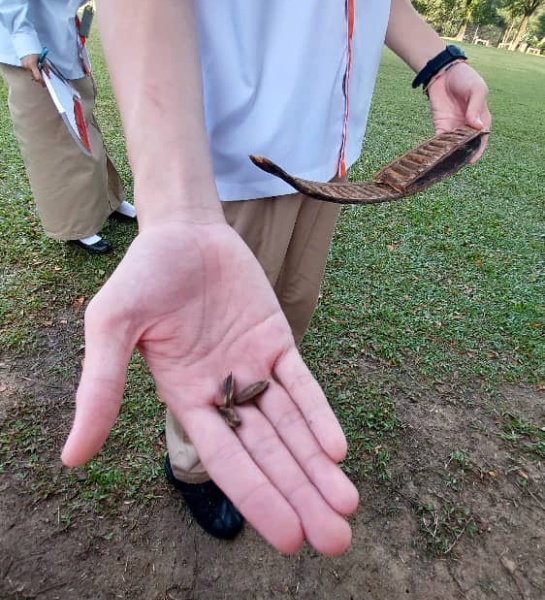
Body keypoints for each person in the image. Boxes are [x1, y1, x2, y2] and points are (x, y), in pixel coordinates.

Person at [60, 0, 491, 556]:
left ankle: (237, 431)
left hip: (326, 161)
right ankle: (193, 464)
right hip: (232, 157)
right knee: (213, 333)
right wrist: (175, 207)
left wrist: (438, 61)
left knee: (283, 313)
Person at [0, 0, 136, 254]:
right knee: (53, 138)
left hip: (66, 37)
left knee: (84, 125)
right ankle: (78, 226)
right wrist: (25, 43)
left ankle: (109, 200)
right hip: (30, 51)